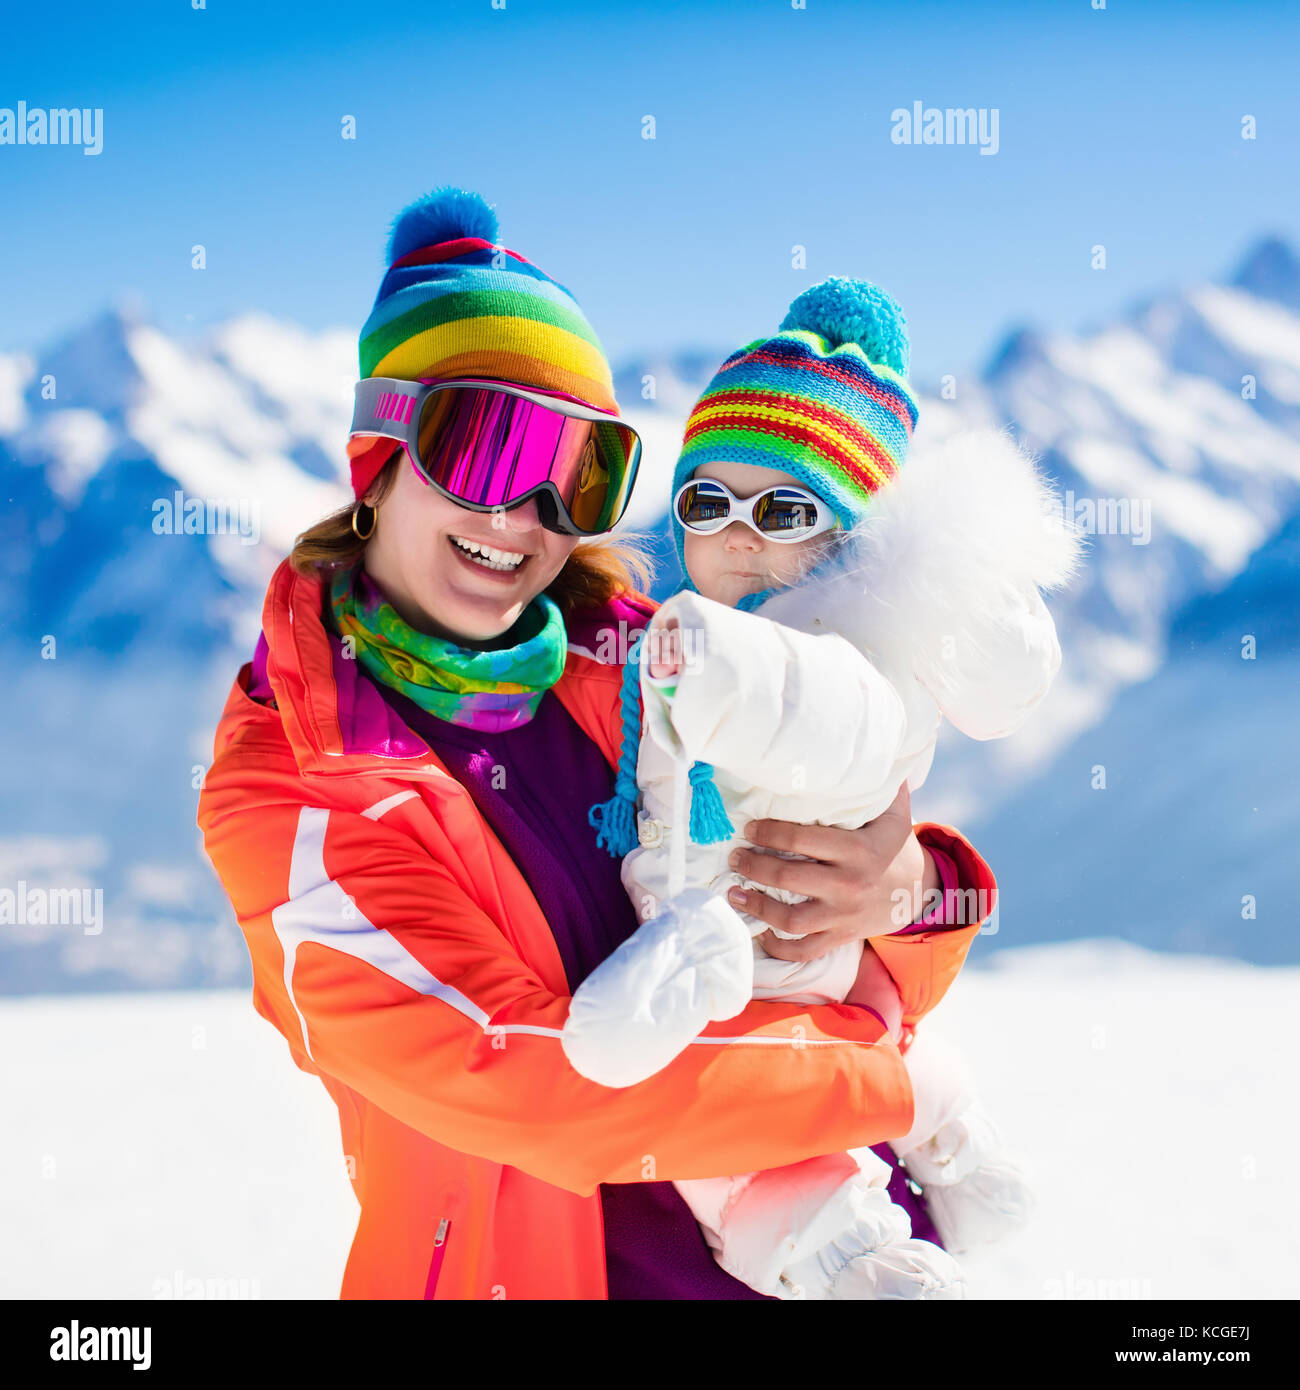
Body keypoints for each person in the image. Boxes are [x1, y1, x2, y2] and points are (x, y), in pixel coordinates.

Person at [196, 185, 1000, 1300]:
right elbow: (537, 1088)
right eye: (482, 443)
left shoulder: (652, 661)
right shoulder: (298, 788)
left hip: (859, 1250)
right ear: (375, 456)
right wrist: (904, 1084)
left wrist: (917, 888)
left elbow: (872, 897)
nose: (519, 515)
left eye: (576, 471)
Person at [564, 278, 1082, 1298]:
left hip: (750, 980)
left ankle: (866, 1235)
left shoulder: (804, 649)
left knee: (741, 1115)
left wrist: (914, 885)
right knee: (815, 1066)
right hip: (757, 990)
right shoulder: (640, 650)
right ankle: (944, 1149)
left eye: (784, 508)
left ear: (851, 537)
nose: (738, 534)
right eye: (705, 503)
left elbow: (805, 701)